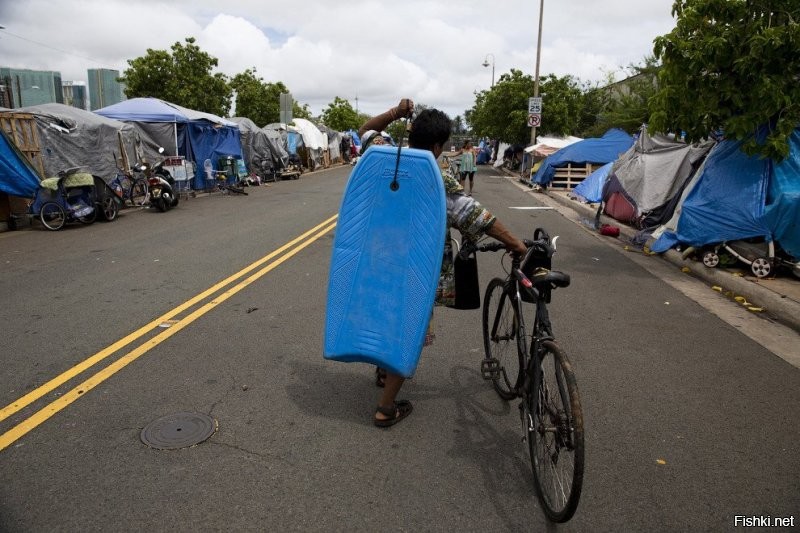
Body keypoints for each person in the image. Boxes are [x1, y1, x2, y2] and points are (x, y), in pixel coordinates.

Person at [357, 99, 528, 427]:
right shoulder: (436, 181)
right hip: (413, 270)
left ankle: (382, 371)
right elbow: (476, 216)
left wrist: (395, 112)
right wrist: (516, 244)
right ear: (437, 145)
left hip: (377, 260)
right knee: (408, 332)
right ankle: (385, 408)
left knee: (385, 317)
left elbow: (365, 131)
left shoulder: (383, 156)